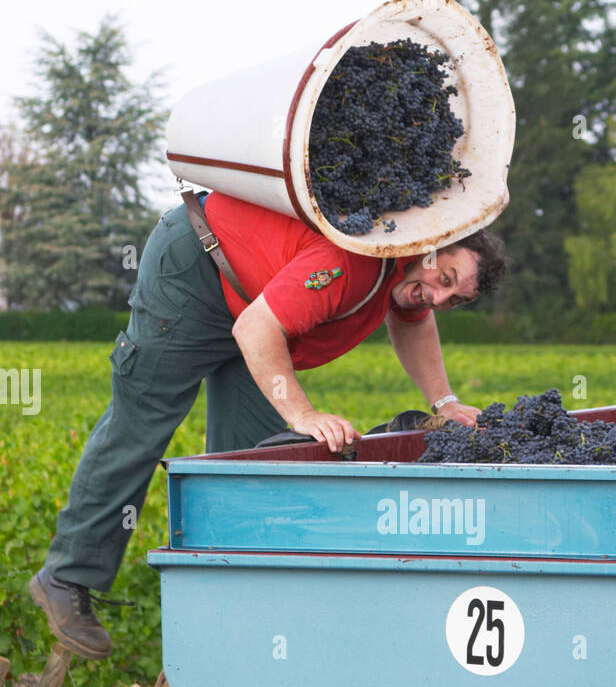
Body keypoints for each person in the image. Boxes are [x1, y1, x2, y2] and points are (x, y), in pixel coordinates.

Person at [29, 190, 507, 659]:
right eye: (443, 276)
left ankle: (228, 611)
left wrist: (444, 402)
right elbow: (258, 330)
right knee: (143, 421)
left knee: (251, 458)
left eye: (453, 297)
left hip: (252, 304)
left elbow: (413, 318)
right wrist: (303, 415)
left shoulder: (402, 270)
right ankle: (68, 576)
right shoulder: (357, 262)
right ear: (429, 245)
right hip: (197, 268)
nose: (438, 295)